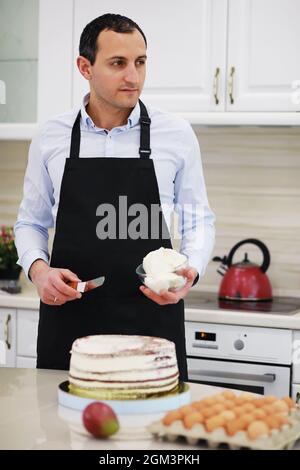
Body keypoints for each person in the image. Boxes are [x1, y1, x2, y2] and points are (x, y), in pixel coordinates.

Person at [14, 13, 215, 380]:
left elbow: (197, 218)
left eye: (140, 62)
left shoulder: (176, 135)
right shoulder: (51, 136)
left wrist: (192, 271)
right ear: (85, 67)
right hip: (71, 323)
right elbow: (30, 221)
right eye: (118, 63)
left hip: (151, 322)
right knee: (64, 433)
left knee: (152, 434)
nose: (133, 77)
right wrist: (39, 272)